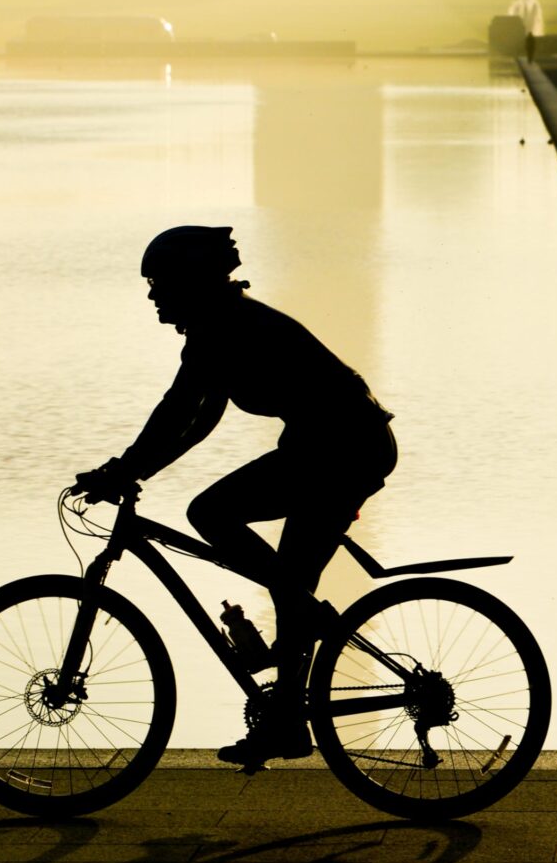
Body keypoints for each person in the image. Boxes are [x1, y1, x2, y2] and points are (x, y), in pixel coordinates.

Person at [76, 226, 397, 767]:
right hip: (329, 447)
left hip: (344, 449)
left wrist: (123, 471)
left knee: (213, 514)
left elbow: (180, 412)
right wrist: (130, 470)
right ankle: (289, 723)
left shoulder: (224, 330)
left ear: (191, 282)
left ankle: (292, 677)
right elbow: (196, 419)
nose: (152, 295)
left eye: (159, 283)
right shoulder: (220, 326)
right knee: (286, 581)